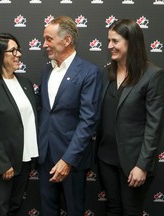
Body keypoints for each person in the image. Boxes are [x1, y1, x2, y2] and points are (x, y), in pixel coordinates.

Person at [96, 19, 164, 215]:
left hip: (134, 162)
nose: (109, 46)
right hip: (106, 158)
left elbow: (154, 126)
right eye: (109, 40)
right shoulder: (106, 73)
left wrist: (142, 166)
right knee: (113, 208)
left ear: (131, 42)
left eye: (115, 41)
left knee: (130, 211)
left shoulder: (153, 75)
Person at [38, 16, 101, 215]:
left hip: (71, 160)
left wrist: (68, 160)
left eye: (49, 39)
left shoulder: (89, 72)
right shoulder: (47, 70)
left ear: (66, 40)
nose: (44, 44)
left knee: (74, 210)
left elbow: (88, 120)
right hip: (45, 156)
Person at [0, 33, 39, 216]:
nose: (18, 54)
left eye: (18, 49)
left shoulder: (26, 83)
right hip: (1, 165)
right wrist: (3, 164)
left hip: (24, 161)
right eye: (12, 50)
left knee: (14, 209)